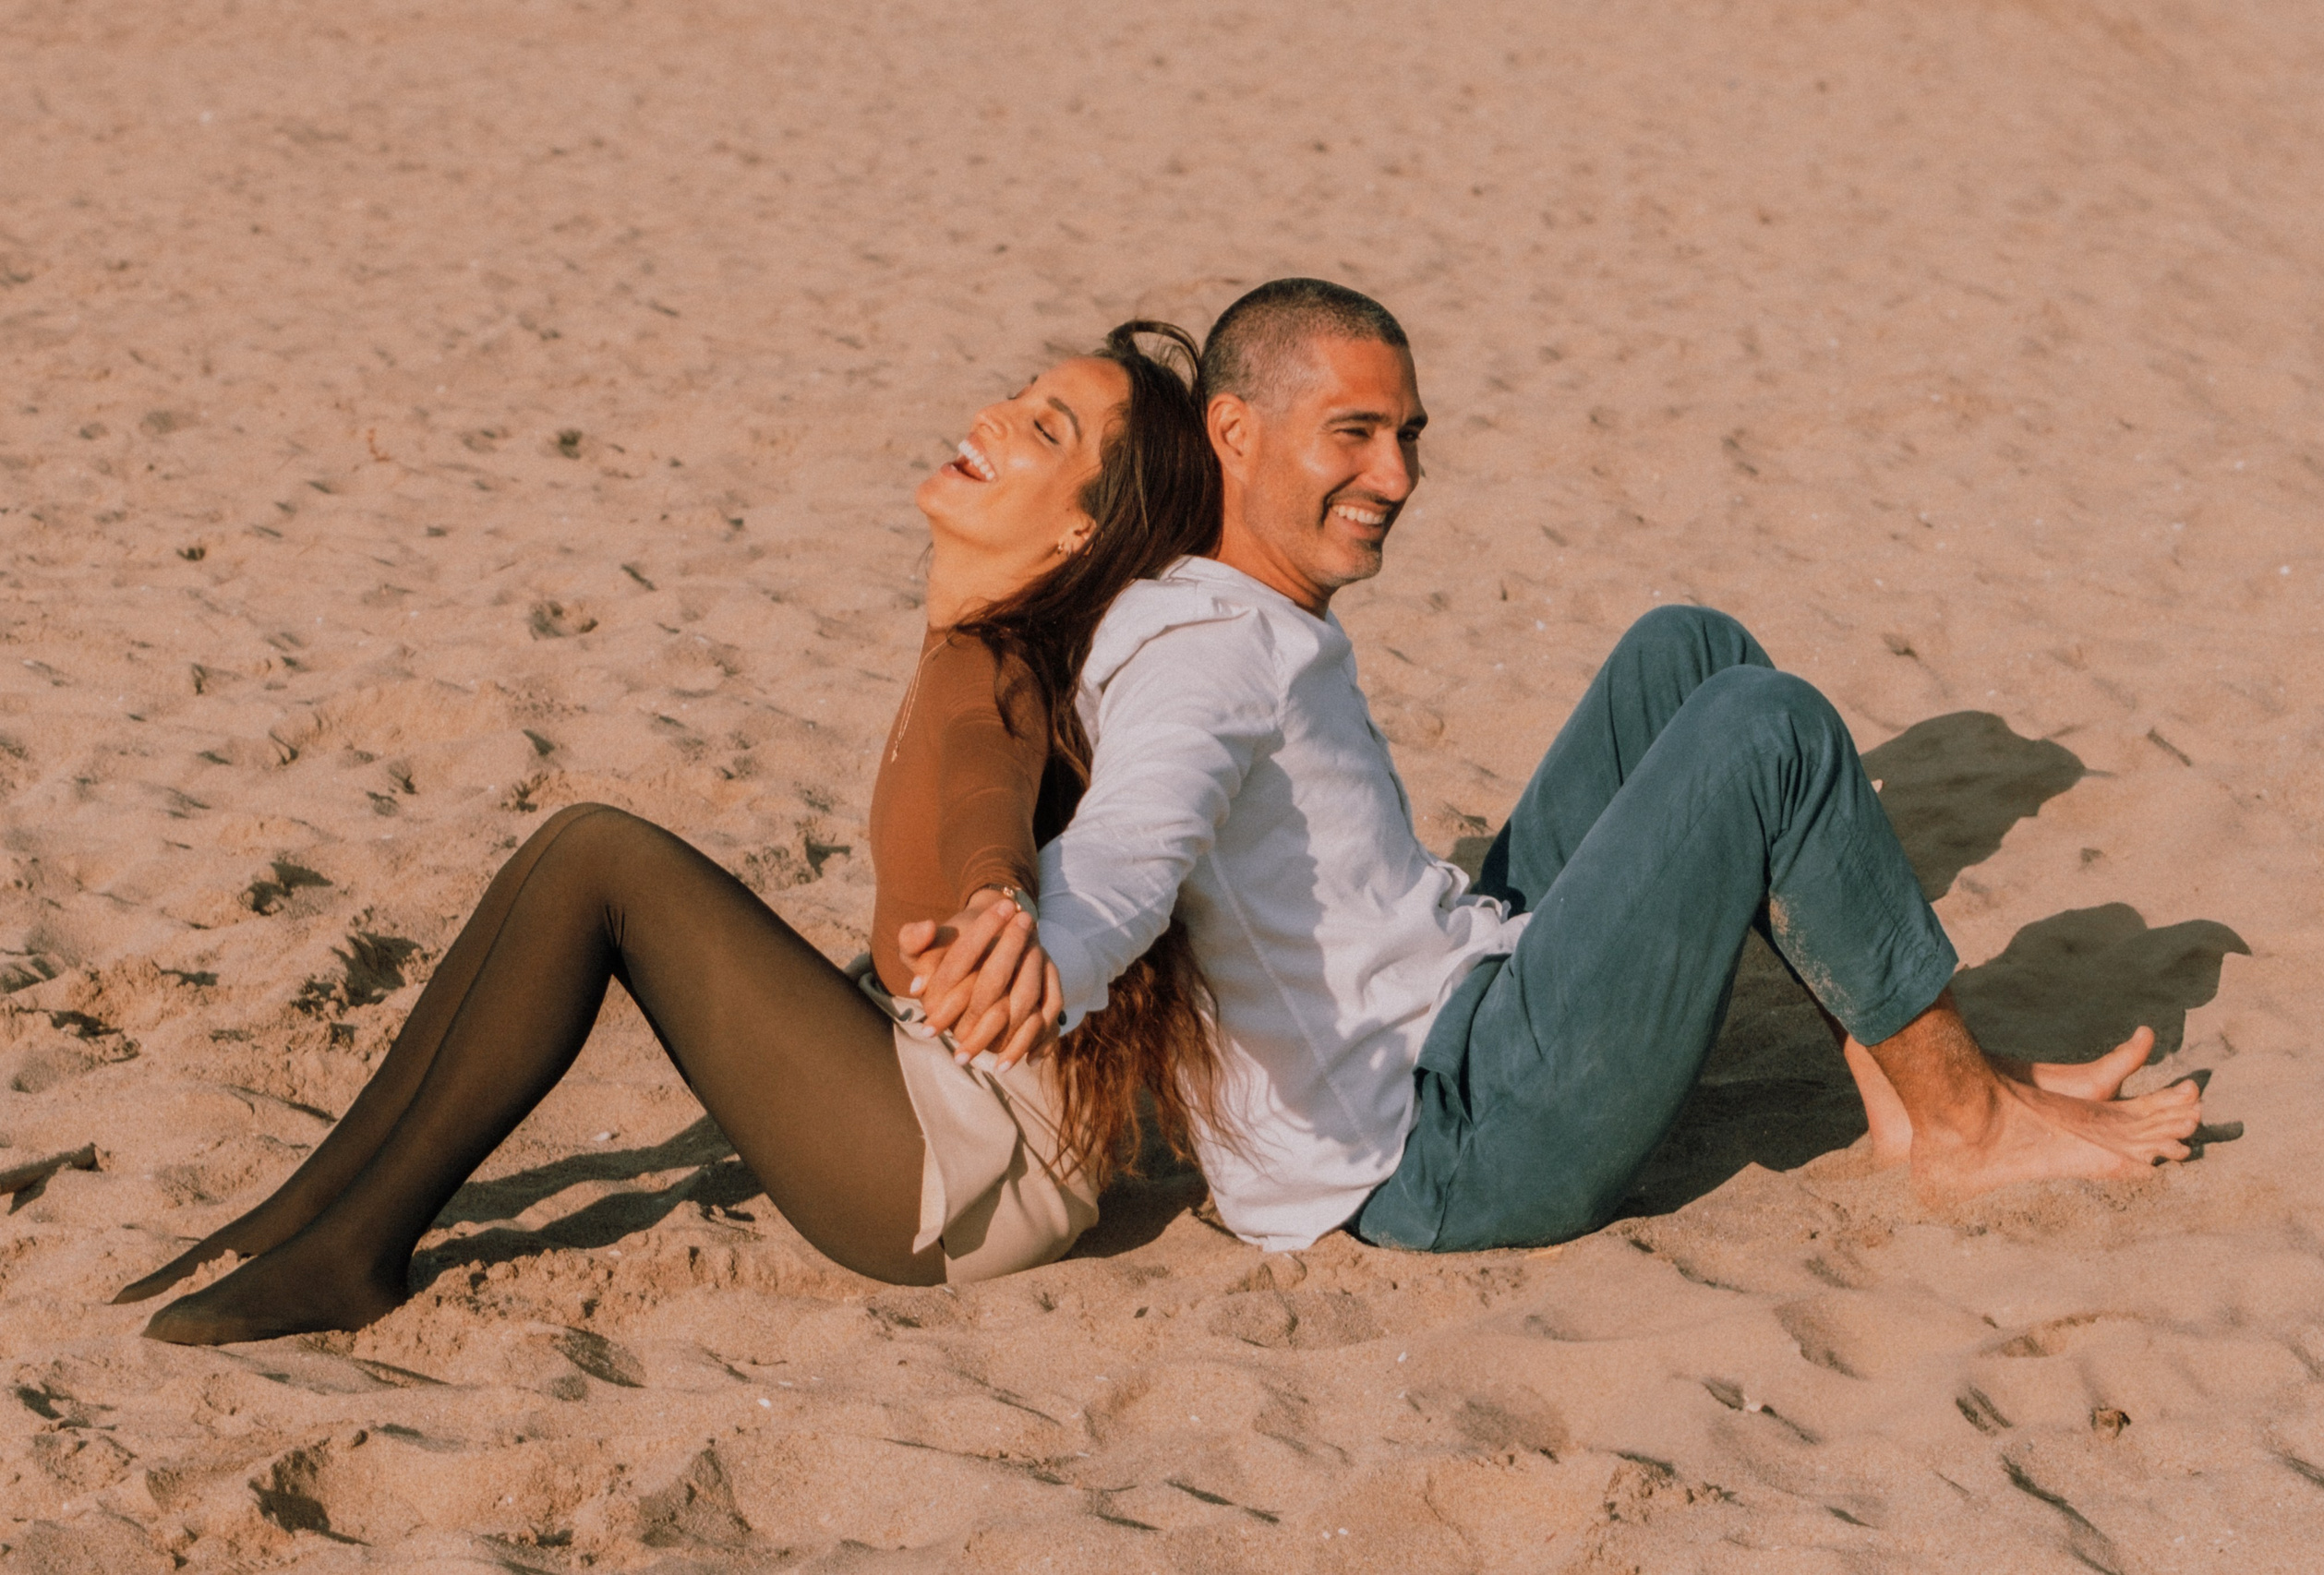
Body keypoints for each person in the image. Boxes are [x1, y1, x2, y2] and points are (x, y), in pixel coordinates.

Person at [905, 279, 2207, 1256]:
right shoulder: (1200, 655)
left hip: (1466, 1006)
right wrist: (1040, 944)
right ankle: (1965, 1126)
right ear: (1235, 432)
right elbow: (1140, 838)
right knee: (1767, 723)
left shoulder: (1242, 609)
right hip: (1441, 1148)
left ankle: (1912, 1082)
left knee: (1686, 653)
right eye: (1353, 433)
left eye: (1409, 434)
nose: (1396, 474)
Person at [117, 320, 1226, 1343]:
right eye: (1021, 393)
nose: (994, 414)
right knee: (561, 847)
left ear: (1083, 527)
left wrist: (999, 894)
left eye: (1044, 429)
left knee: (603, 859)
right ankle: (322, 1196)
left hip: (957, 1181)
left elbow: (990, 787)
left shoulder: (999, 668)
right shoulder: (980, 638)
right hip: (950, 1107)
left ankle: (353, 1252)